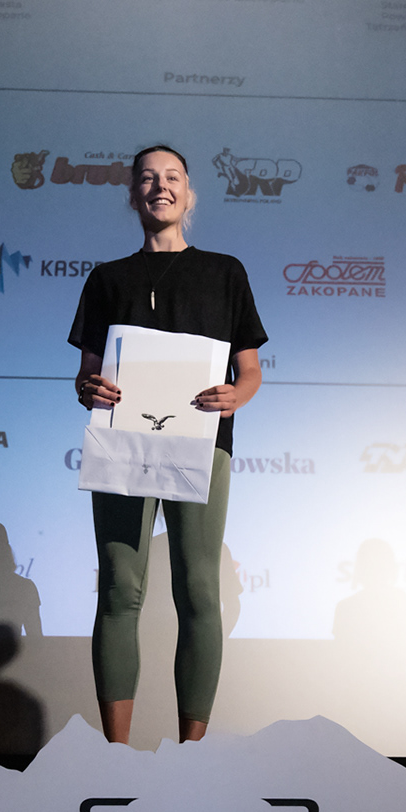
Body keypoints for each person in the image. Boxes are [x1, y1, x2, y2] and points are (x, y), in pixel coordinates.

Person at [69, 144, 267, 745]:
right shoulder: (107, 278)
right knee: (118, 587)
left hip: (201, 441)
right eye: (148, 179)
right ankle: (115, 753)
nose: (161, 186)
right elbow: (86, 375)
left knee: (199, 589)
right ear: (133, 195)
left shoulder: (225, 272)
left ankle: (193, 753)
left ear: (189, 193)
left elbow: (250, 370)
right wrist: (89, 388)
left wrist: (236, 395)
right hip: (122, 442)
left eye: (172, 177)